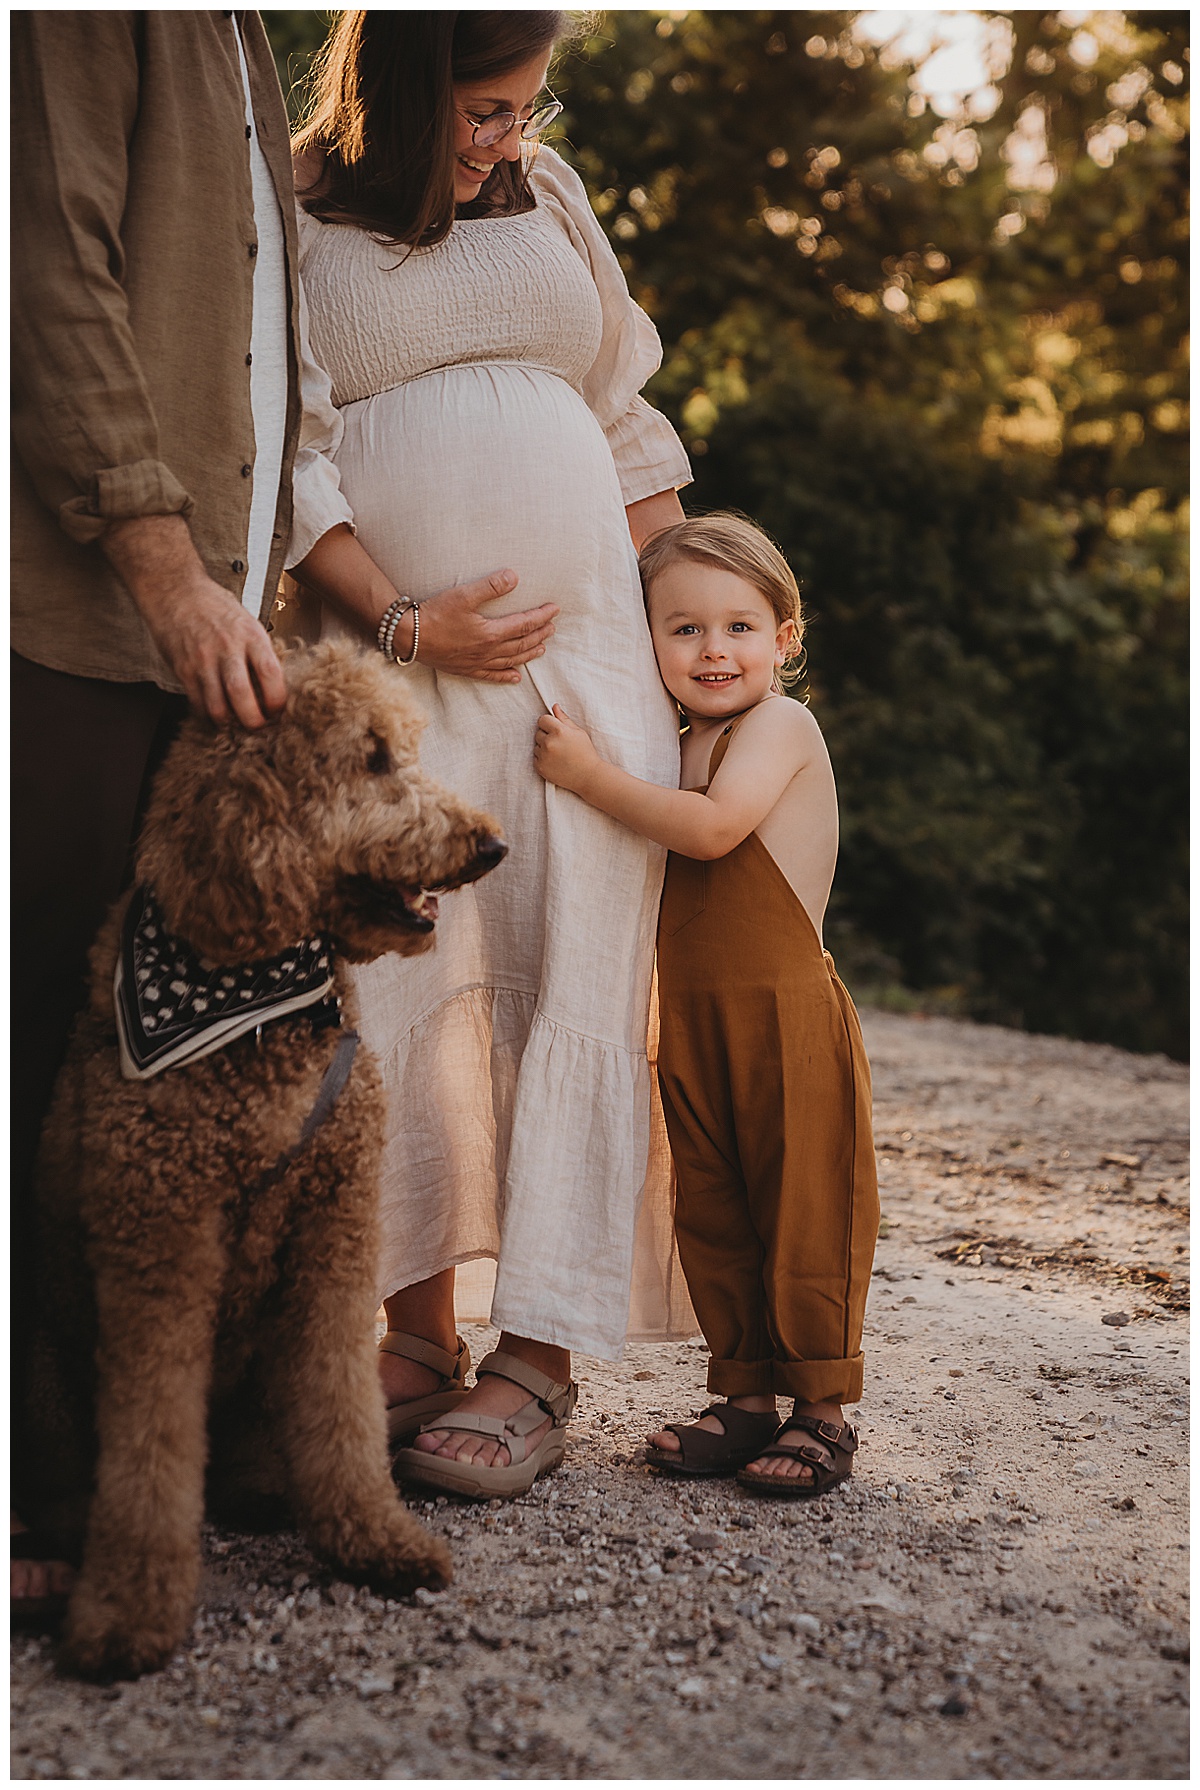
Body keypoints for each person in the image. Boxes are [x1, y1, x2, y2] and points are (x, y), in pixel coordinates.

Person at [10, 10, 555, 1614]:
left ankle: (219, 1458)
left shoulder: (245, 41)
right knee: (53, 1061)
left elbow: (266, 365)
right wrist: (164, 566)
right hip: (80, 614)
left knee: (205, 1068)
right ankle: (49, 1502)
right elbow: (48, 268)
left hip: (215, 625)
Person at [288, 11, 692, 1499]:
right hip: (394, 676)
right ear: (396, 95)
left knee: (574, 957)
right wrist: (404, 620)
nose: (506, 138)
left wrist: (693, 643)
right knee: (401, 974)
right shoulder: (299, 212)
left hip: (580, 663)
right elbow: (277, 444)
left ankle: (541, 1350)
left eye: (526, 108)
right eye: (478, 113)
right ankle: (414, 1328)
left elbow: (622, 415)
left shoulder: (552, 195)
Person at [534, 514, 879, 1497]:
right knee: (716, 1206)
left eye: (738, 626)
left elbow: (715, 829)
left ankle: (821, 1407)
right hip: (694, 1015)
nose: (713, 649)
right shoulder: (679, 740)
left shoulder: (780, 727)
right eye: (682, 628)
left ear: (786, 637)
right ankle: (743, 1394)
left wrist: (589, 775)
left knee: (803, 1202)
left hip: (786, 1016)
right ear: (645, 639)